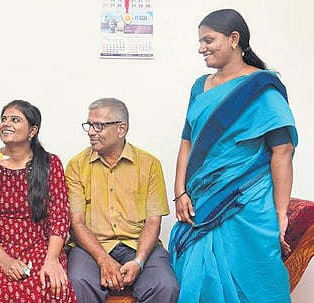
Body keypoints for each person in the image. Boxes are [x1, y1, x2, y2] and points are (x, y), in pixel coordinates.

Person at [168, 8, 298, 303]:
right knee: (196, 278)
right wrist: (179, 192)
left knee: (255, 279)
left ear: (234, 39)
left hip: (248, 204)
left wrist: (280, 214)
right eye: (200, 41)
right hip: (201, 201)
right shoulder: (200, 87)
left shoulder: (261, 88)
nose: (201, 48)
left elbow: (282, 151)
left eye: (208, 40)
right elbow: (187, 141)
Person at [66, 98, 179, 303]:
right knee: (77, 280)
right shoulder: (76, 166)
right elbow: (77, 223)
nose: (91, 132)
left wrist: (139, 261)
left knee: (165, 285)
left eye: (98, 125)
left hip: (138, 245)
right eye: (89, 125)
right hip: (92, 248)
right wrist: (103, 260)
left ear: (121, 129)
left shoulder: (149, 164)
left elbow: (153, 222)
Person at [0, 100, 77, 303]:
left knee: (48, 286)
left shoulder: (50, 163)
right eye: (3, 119)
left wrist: (52, 259)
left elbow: (60, 218)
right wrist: (5, 260)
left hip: (39, 245)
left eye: (15, 120)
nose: (6, 124)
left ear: (32, 130)